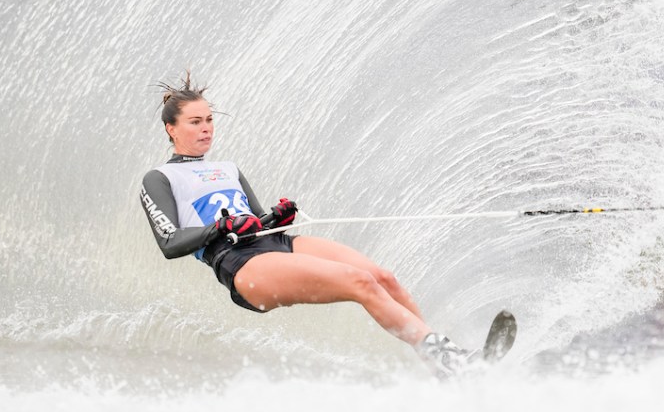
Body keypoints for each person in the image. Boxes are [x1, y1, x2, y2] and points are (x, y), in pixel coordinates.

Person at [139, 74, 469, 377]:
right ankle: (451, 361)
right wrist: (221, 227)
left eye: (209, 120)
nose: (206, 128)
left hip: (272, 245)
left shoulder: (228, 169)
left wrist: (276, 219)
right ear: (172, 128)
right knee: (360, 282)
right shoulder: (160, 178)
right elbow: (169, 243)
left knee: (384, 278)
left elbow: (258, 225)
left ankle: (442, 364)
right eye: (195, 122)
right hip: (239, 263)